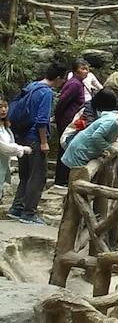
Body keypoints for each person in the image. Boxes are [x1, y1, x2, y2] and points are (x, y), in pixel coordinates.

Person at [7, 60, 68, 222]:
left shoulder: (32, 86)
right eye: (63, 79)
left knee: (25, 175)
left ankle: (17, 208)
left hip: (22, 136)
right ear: (59, 78)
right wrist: (44, 142)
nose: (63, 83)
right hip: (35, 138)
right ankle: (29, 213)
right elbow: (41, 120)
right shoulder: (46, 93)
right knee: (37, 176)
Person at [61, 92, 118, 173]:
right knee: (77, 175)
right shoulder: (112, 121)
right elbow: (96, 136)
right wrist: (110, 148)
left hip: (84, 149)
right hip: (81, 151)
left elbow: (107, 134)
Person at [52, 59, 88, 185]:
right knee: (65, 148)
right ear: (75, 70)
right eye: (83, 69)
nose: (86, 71)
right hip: (67, 121)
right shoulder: (74, 84)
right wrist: (58, 117)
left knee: (68, 147)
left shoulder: (78, 83)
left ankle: (64, 178)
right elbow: (63, 101)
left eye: (87, 69)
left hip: (73, 120)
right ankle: (61, 179)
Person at [0, 105, 30, 209]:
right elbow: (4, 146)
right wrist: (22, 149)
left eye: (5, 106)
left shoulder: (5, 127)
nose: (3, 110)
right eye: (0, 107)